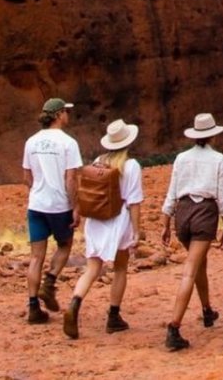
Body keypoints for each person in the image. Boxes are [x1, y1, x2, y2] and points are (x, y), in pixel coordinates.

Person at [63, 119, 144, 339]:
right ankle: (113, 316)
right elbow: (134, 201)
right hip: (119, 222)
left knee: (92, 268)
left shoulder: (98, 162)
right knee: (120, 268)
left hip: (96, 221)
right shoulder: (130, 165)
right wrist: (137, 232)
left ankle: (74, 302)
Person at [160, 113, 223, 351]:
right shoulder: (220, 159)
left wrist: (165, 222)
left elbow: (172, 191)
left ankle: (207, 310)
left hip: (182, 214)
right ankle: (174, 327)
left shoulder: (181, 158)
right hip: (205, 214)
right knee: (190, 270)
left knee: (199, 263)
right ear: (213, 134)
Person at [23, 97, 82, 324]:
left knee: (36, 256)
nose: (68, 115)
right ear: (58, 115)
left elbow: (26, 177)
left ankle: (33, 308)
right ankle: (49, 284)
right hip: (59, 206)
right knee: (65, 245)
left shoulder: (31, 142)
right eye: (66, 111)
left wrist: (39, 191)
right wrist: (75, 207)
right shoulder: (68, 143)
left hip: (36, 204)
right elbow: (71, 179)